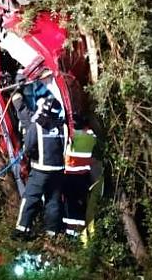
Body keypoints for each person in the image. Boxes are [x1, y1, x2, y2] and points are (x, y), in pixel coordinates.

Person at [12, 96, 68, 240]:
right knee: (53, 201)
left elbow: (29, 147)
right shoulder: (63, 126)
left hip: (40, 171)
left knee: (30, 198)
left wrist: (31, 157)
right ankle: (52, 233)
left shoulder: (37, 125)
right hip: (58, 171)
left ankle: (22, 229)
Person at [62, 115, 97, 238]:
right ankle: (80, 230)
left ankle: (71, 231)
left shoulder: (71, 138)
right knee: (81, 202)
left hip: (70, 175)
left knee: (70, 203)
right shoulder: (91, 137)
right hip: (83, 175)